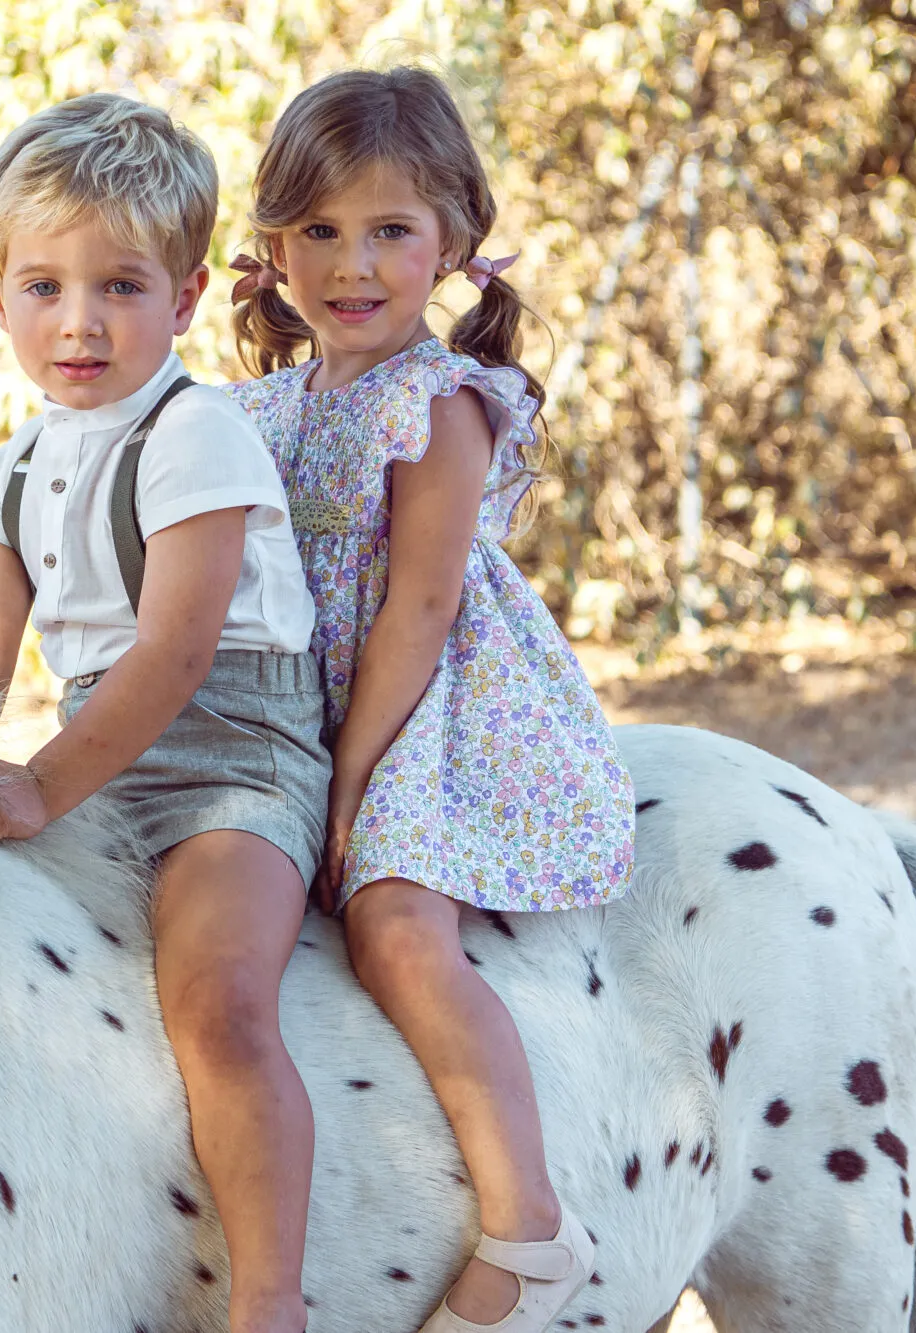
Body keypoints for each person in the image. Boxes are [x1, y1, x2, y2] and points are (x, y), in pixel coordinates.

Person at [224, 68, 637, 1333]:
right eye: (319, 230)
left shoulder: (441, 402)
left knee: (396, 925)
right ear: (273, 246)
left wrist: (348, 784)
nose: (351, 265)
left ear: (450, 243)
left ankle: (529, 1228)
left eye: (389, 230)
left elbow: (418, 606)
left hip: (420, 706)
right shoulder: (255, 409)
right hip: (287, 699)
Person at [0, 92, 330, 1333]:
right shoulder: (15, 466)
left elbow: (174, 651)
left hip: (231, 762)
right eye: (43, 287)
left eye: (120, 286)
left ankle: (268, 1297)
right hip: (103, 760)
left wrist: (39, 785)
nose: (80, 322)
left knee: (216, 1001)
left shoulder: (196, 435)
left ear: (187, 296)